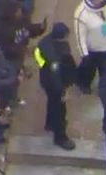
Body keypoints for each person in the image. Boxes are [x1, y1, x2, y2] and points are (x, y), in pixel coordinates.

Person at [35, 22, 77, 150]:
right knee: (60, 110)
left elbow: (38, 58)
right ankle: (60, 137)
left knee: (52, 102)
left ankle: (50, 124)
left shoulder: (43, 42)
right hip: (55, 85)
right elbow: (56, 76)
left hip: (46, 80)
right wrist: (63, 92)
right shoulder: (55, 57)